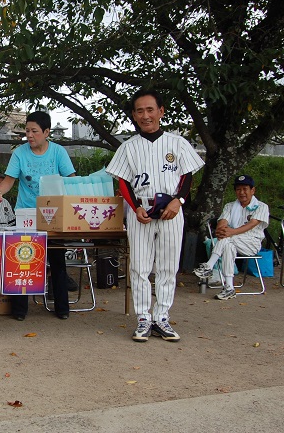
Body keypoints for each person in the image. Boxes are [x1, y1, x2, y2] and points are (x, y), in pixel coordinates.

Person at [106, 89, 204, 342]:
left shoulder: (177, 143)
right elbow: (124, 182)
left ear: (161, 111)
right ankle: (142, 318)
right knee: (139, 266)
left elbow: (186, 176)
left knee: (168, 266)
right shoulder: (128, 147)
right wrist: (135, 206)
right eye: (140, 110)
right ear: (134, 115)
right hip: (142, 210)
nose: (146, 115)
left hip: (171, 210)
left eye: (150, 109)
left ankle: (162, 317)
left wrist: (179, 201)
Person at [0, 110, 77, 321]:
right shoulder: (20, 153)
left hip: (53, 213)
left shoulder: (58, 152)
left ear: (47, 132)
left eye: (34, 131)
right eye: (27, 131)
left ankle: (62, 308)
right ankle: (20, 310)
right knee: (23, 258)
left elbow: (71, 179)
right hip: (26, 212)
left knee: (57, 259)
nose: (29, 135)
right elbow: (10, 179)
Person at [193, 175, 269, 300]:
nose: (242, 192)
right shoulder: (230, 206)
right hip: (232, 241)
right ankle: (229, 287)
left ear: (252, 190)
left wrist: (231, 232)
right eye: (238, 189)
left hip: (251, 243)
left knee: (227, 239)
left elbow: (252, 224)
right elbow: (223, 221)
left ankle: (209, 266)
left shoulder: (261, 206)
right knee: (228, 244)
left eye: (245, 189)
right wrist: (221, 230)